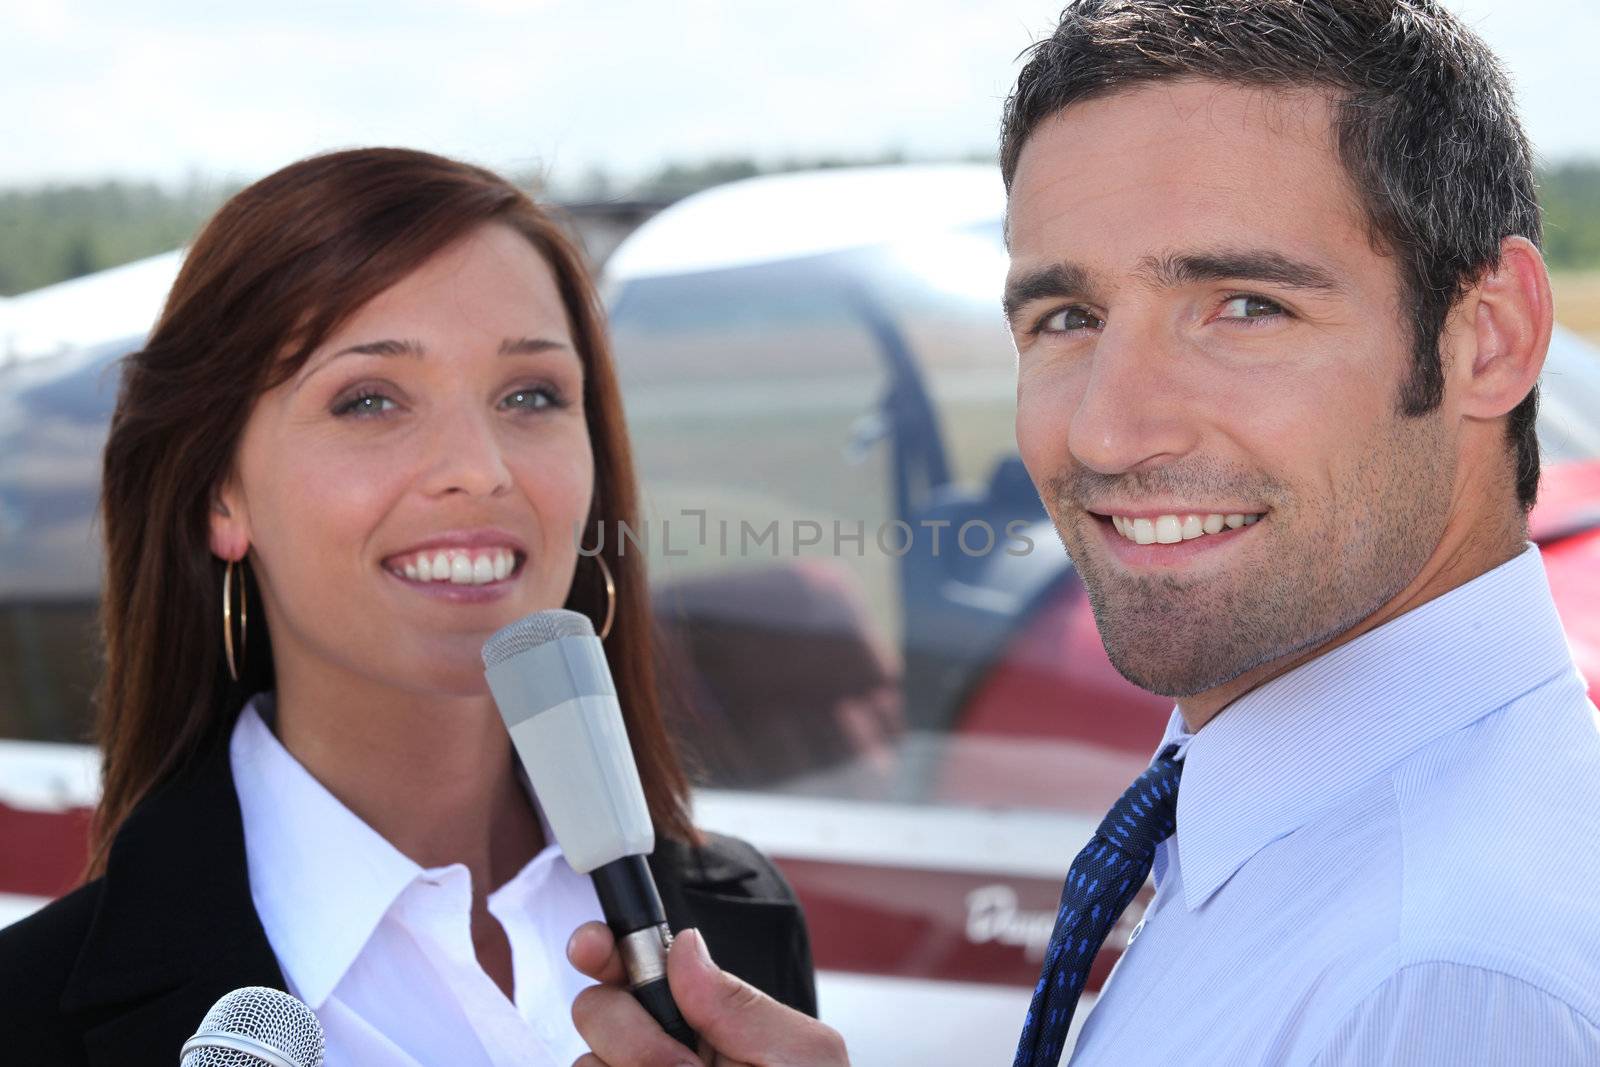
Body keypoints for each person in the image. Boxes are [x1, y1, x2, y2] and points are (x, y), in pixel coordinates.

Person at [562, 1, 1600, 1064]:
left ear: (1489, 339)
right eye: (1066, 319)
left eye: (1244, 306)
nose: (1106, 429)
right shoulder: (1283, 825)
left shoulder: (1438, 986)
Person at [0, 148, 816, 1066]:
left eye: (532, 394)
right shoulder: (26, 1017)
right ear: (217, 492)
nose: (481, 468)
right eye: (370, 400)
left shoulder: (742, 924)